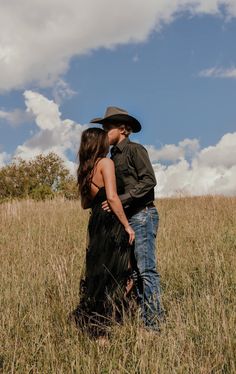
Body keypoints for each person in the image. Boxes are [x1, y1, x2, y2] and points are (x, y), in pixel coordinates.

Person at [90, 106, 164, 332]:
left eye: (107, 128)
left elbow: (149, 181)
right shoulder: (111, 157)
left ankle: (153, 326)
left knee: (146, 270)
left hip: (142, 215)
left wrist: (120, 199)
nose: (103, 132)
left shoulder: (135, 150)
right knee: (130, 272)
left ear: (123, 129)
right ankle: (137, 318)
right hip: (126, 219)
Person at [72, 127, 135, 338]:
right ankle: (113, 320)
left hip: (96, 223)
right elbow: (113, 197)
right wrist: (126, 225)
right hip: (110, 222)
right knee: (123, 270)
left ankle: (99, 327)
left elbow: (84, 204)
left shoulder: (85, 169)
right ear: (100, 143)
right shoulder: (106, 163)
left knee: (100, 273)